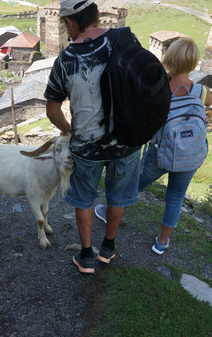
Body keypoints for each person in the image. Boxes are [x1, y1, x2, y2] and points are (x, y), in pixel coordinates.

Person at [44, 0, 142, 274]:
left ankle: (86, 256)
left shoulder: (65, 60)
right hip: (127, 140)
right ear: (98, 16)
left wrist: (68, 129)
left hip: (87, 146)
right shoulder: (126, 39)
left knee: (84, 198)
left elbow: (52, 111)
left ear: (69, 23)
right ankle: (108, 248)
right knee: (118, 196)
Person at [94, 37, 212, 255]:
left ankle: (108, 211)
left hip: (160, 153)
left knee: (132, 184)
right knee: (176, 197)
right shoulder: (201, 91)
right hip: (190, 155)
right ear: (194, 63)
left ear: (168, 59)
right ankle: (161, 242)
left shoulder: (159, 86)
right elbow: (210, 102)